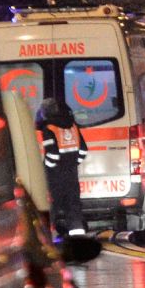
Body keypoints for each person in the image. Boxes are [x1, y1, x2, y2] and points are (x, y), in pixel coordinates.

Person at [37, 98, 89, 239]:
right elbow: (83, 150)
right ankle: (78, 239)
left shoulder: (48, 129)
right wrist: (73, 163)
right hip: (72, 175)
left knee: (50, 207)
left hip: (55, 177)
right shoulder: (73, 126)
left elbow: (52, 155)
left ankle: (46, 239)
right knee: (73, 207)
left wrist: (47, 168)